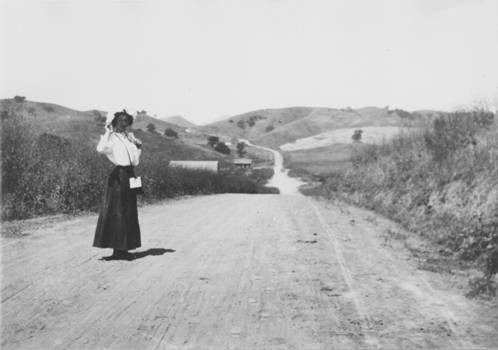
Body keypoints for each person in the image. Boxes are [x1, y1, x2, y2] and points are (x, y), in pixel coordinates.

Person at [93, 109, 143, 260]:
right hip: (118, 177)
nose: (124, 123)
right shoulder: (112, 138)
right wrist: (107, 132)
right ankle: (117, 250)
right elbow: (101, 149)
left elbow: (135, 161)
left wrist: (138, 147)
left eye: (126, 120)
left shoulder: (129, 138)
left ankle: (125, 248)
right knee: (117, 211)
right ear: (114, 122)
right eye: (121, 120)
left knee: (129, 211)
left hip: (130, 174)